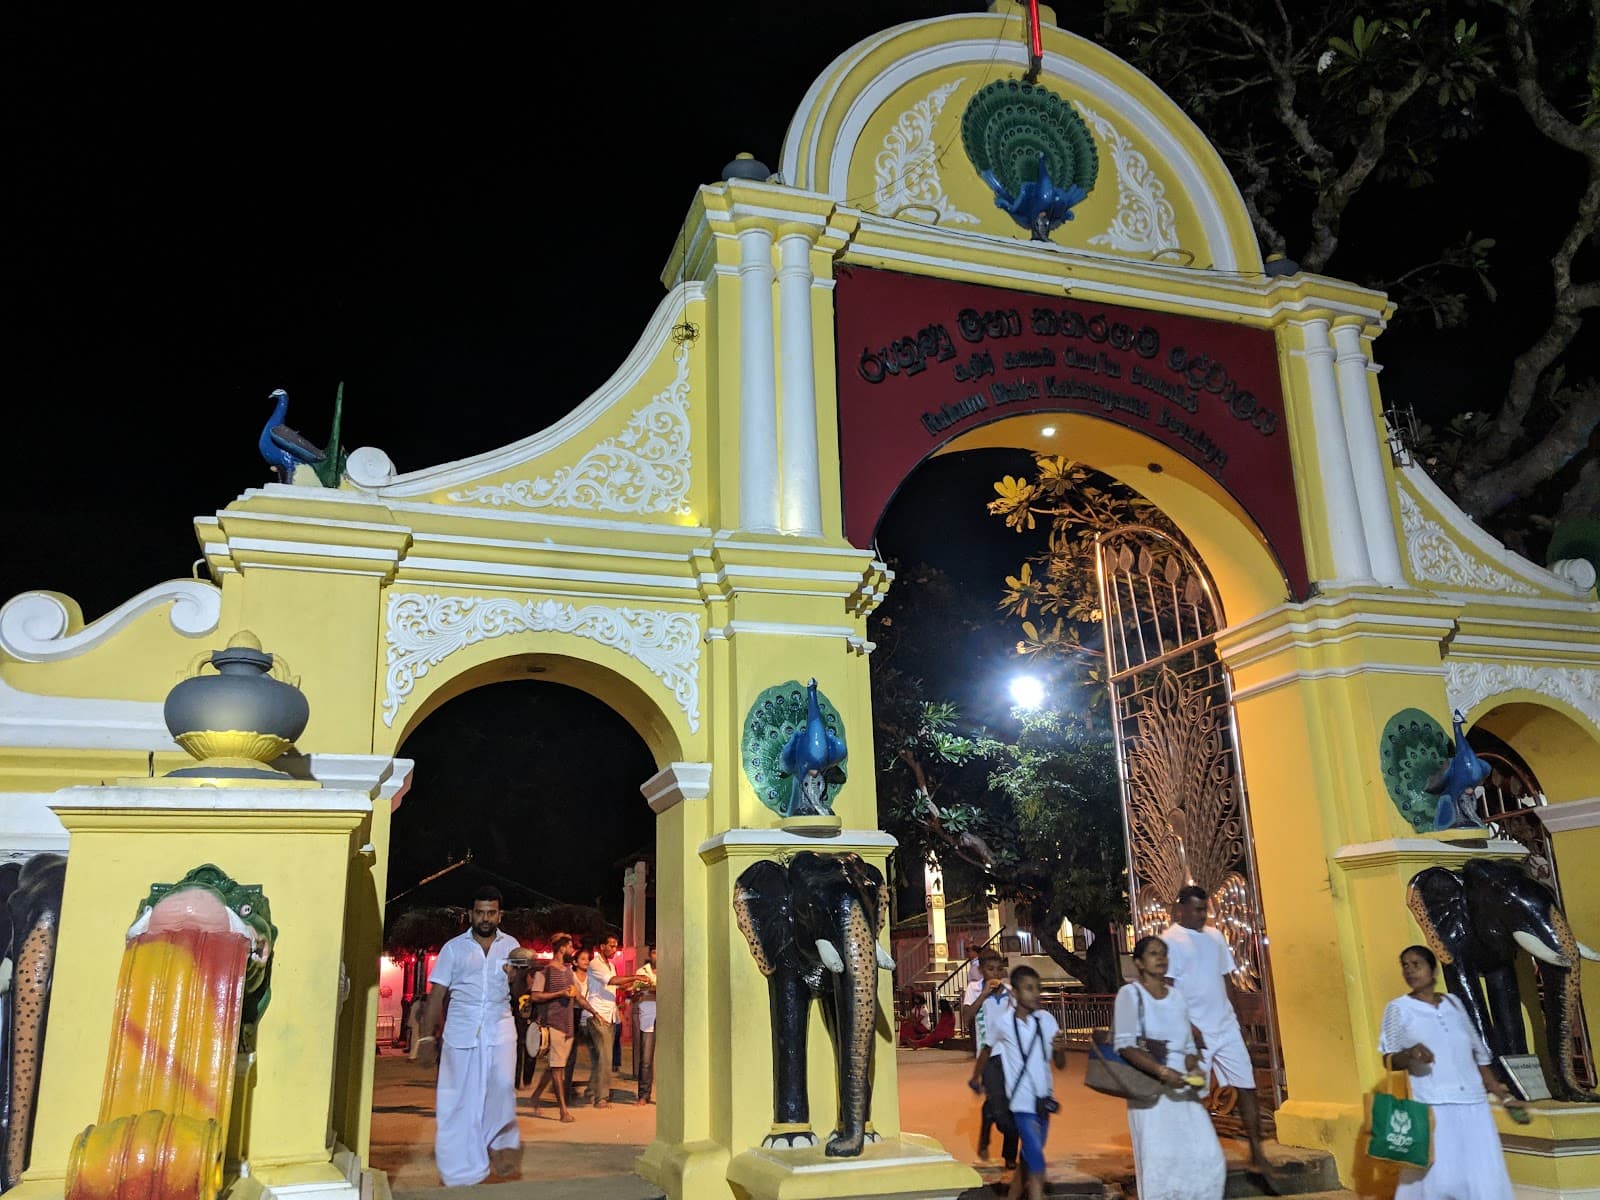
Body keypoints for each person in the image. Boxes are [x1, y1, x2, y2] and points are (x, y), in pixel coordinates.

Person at [1378, 945, 1523, 1200]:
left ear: (1433, 969)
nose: (1410, 970)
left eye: (1416, 964)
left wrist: (1503, 1096)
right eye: (1405, 965)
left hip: (1474, 1106)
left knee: (1483, 1178)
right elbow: (1389, 1058)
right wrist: (1410, 1053)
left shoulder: (1454, 1003)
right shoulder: (1398, 1009)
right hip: (1433, 1105)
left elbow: (1478, 1055)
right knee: (1441, 1182)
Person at [413, 887, 521, 1187]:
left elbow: (519, 994)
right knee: (458, 1098)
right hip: (461, 1030)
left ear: (500, 914)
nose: (485, 918)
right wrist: (426, 1038)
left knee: (500, 1091)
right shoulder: (453, 949)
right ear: (471, 914)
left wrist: (517, 977)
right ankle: (461, 1169)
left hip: (500, 1028)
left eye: (491, 912)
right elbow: (437, 995)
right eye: (480, 912)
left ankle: (493, 1146)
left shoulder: (511, 946)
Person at [1161, 884, 1268, 1170]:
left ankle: (1257, 1153)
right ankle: (1195, 1157)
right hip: (1195, 1035)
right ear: (1181, 909)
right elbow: (1167, 990)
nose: (1202, 915)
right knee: (1194, 1094)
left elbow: (1227, 981)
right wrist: (1188, 1029)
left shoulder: (1216, 937)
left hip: (1226, 1027)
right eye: (1197, 910)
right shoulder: (1169, 941)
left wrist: (1241, 1024)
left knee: (1247, 1086)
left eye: (1204, 909)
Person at [1115, 935, 1227, 1200]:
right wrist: (1163, 1072)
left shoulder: (1176, 997)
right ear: (1139, 962)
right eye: (1154, 953)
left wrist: (1195, 1067)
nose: (1161, 958)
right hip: (1151, 1092)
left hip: (1183, 1090)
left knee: (1209, 1156)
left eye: (1164, 953)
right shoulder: (1129, 995)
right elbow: (1125, 1045)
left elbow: (1188, 1045)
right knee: (1161, 1162)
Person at [968, 965, 1068, 1200]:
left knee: (1027, 1159)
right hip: (1021, 1104)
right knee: (1036, 1160)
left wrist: (1060, 1050)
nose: (1035, 994)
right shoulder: (1003, 1023)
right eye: (1028, 988)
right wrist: (976, 1076)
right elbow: (987, 1049)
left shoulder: (1047, 1021)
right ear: (1015, 993)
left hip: (1043, 1101)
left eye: (1038, 989)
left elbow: (1060, 1064)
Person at [527, 934, 597, 1122]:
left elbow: (578, 996)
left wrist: (594, 1011)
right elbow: (535, 996)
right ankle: (563, 1111)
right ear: (561, 948)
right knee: (557, 1069)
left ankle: (535, 1097)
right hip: (554, 1023)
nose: (572, 949)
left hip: (568, 1026)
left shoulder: (567, 971)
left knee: (555, 1067)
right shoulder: (546, 972)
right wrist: (559, 993)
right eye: (570, 946)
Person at [962, 948, 1018, 1169]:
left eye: (998, 969)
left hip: (1011, 1057)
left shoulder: (1010, 991)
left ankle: (1010, 1156)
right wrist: (984, 994)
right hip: (987, 1057)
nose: (994, 973)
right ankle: (987, 1129)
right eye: (989, 969)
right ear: (981, 970)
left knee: (1014, 1104)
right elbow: (966, 1018)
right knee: (998, 1106)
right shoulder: (974, 989)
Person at [585, 934, 642, 1108]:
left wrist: (636, 986)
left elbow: (618, 985)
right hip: (598, 1014)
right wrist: (635, 977)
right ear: (602, 946)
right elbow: (612, 980)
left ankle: (592, 1091)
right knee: (605, 1057)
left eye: (616, 946)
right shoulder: (595, 964)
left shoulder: (610, 965)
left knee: (601, 1057)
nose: (614, 949)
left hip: (609, 1015)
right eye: (611, 945)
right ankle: (601, 1098)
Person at [506, 946, 539, 1091]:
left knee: (531, 1051)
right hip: (517, 1020)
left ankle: (527, 1081)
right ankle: (516, 1082)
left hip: (532, 1020)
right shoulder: (515, 980)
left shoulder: (536, 977)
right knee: (517, 1052)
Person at [634, 943, 658, 1105]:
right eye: (655, 953)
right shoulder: (641, 972)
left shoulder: (672, 970)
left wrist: (651, 991)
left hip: (669, 1016)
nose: (658, 956)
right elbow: (635, 993)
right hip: (648, 1016)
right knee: (646, 1058)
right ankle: (643, 1095)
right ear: (650, 955)